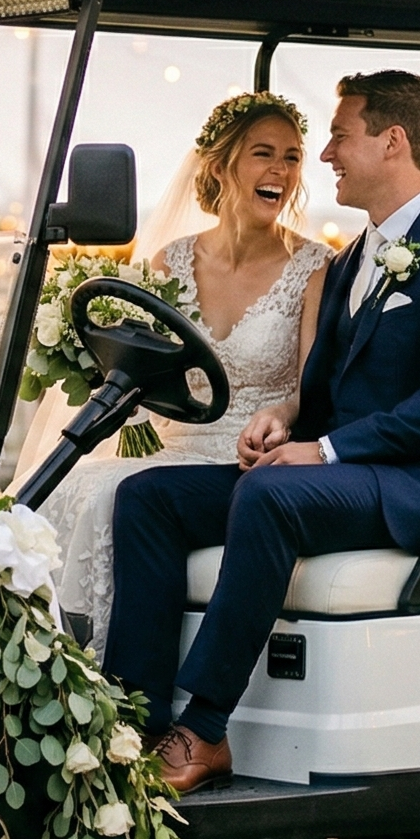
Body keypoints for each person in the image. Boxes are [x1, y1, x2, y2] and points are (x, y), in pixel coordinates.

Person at [108, 71, 420, 793]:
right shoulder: (354, 257)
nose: (323, 155)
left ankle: (202, 729)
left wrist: (323, 450)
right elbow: (321, 385)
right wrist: (285, 419)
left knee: (271, 497)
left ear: (392, 143)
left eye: (339, 136)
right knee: (148, 498)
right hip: (349, 472)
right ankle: (131, 718)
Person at [43, 92, 330, 654]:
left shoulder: (314, 267)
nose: (281, 171)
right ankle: (50, 669)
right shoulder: (169, 261)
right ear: (221, 165)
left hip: (246, 454)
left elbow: (309, 386)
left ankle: (114, 682)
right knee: (69, 483)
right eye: (264, 154)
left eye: (292, 158)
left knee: (115, 494)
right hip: (175, 444)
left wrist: (283, 413)